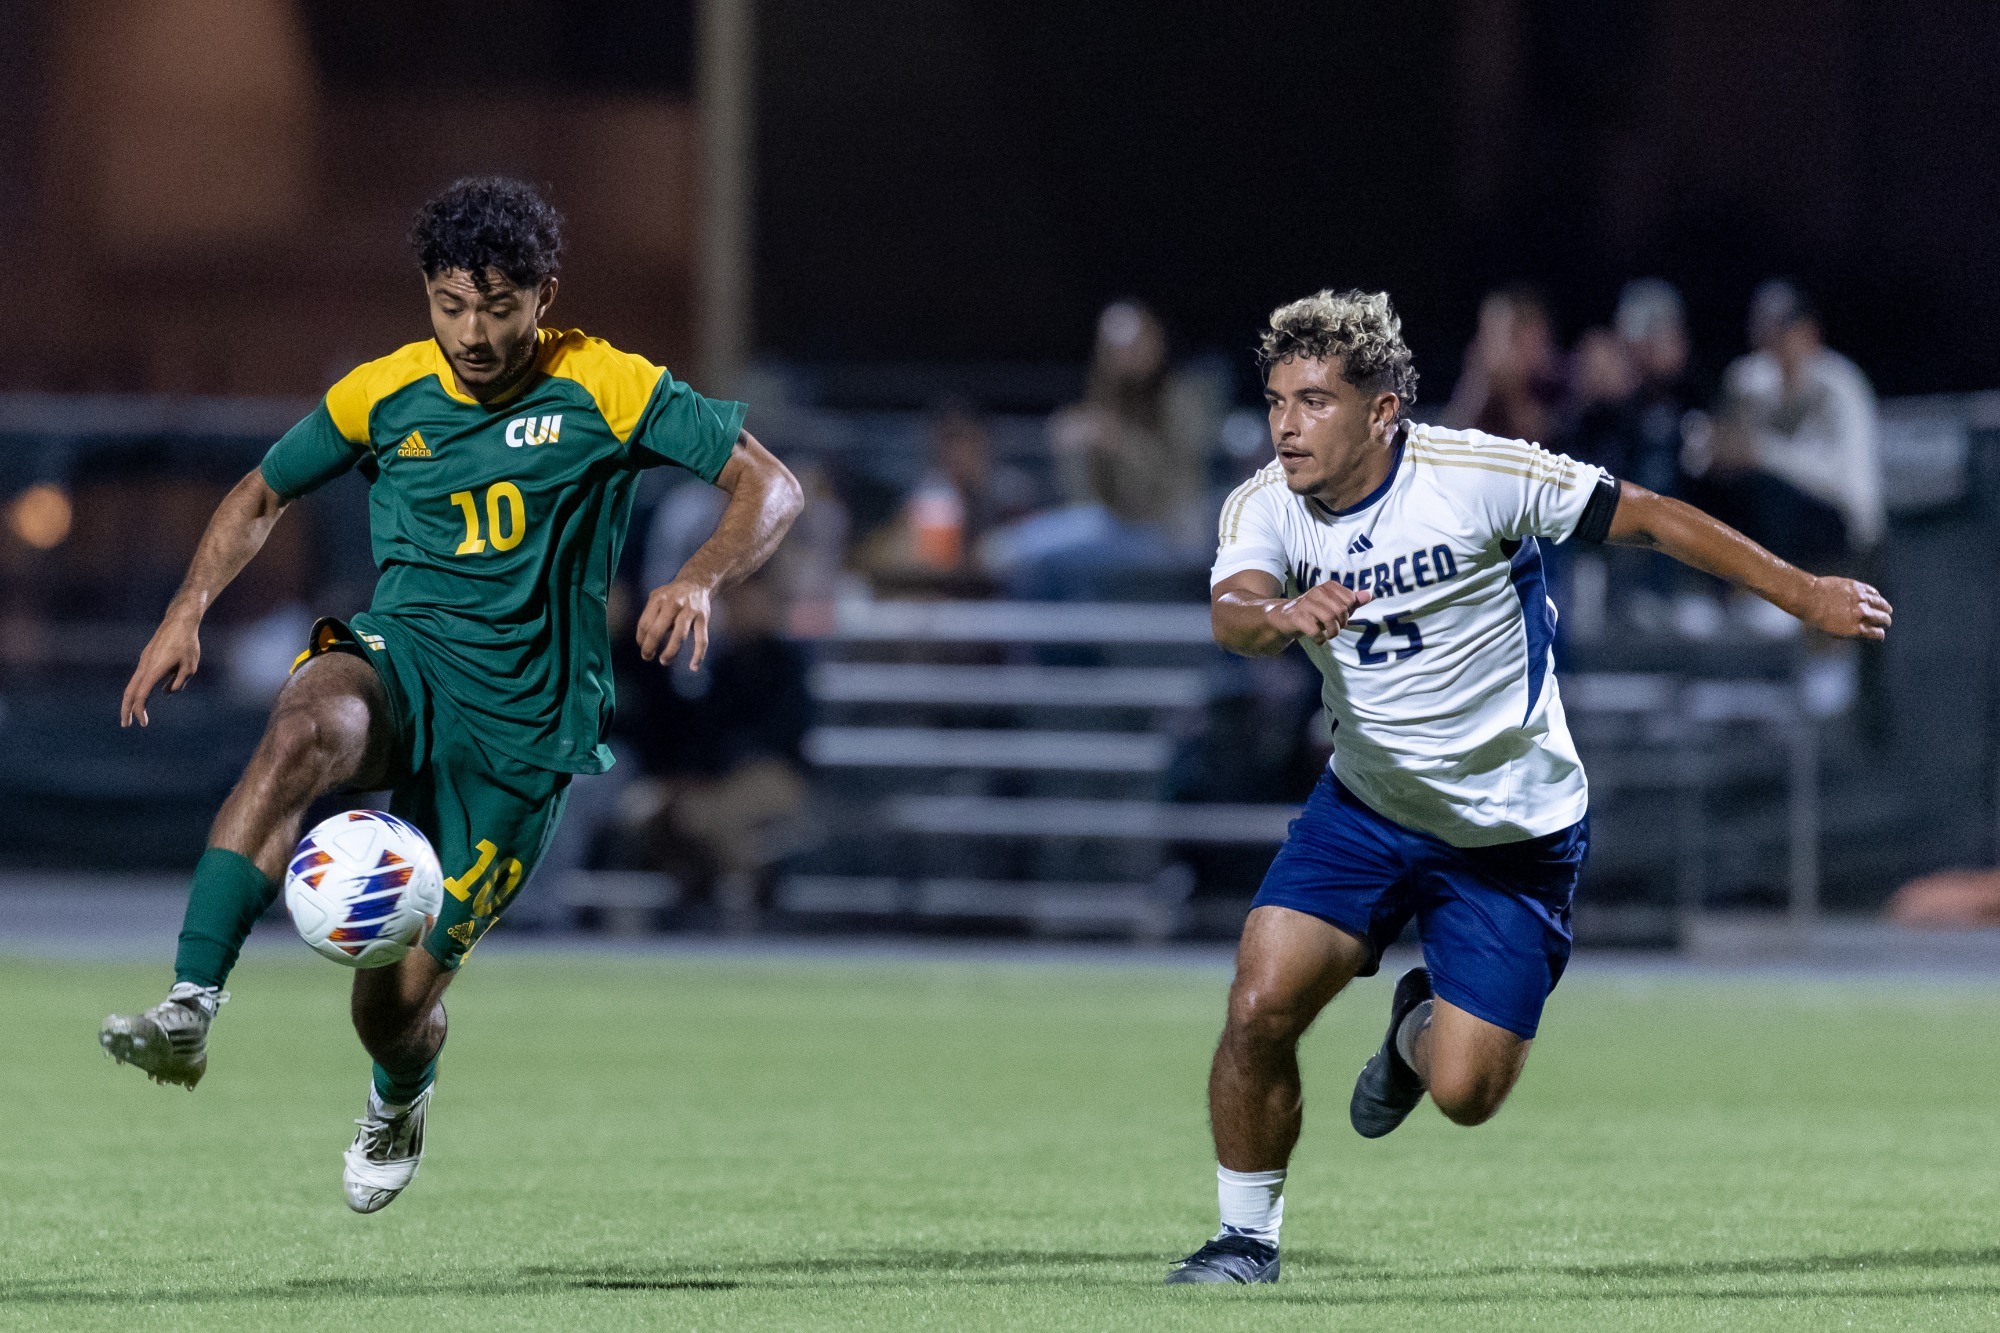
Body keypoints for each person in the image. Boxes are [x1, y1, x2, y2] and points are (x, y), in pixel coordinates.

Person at [97, 178, 803, 1213]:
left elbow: (769, 484)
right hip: (408, 657)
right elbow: (260, 492)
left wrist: (698, 574)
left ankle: (398, 1092)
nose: (473, 331)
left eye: (499, 305)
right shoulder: (384, 391)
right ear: (427, 296)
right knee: (304, 723)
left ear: (541, 294)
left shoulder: (604, 384)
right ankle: (190, 1004)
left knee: (387, 1007)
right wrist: (186, 606)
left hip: (522, 728)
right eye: (449, 304)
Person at [1167, 289, 1890, 1284]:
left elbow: (1651, 517)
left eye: (1314, 401)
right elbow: (1230, 607)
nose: (1285, 425)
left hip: (1510, 835)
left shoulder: (1476, 474)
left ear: (1381, 413)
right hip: (1367, 810)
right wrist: (1279, 615)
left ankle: (1414, 1031)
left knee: (1464, 1090)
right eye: (1277, 399)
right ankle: (1242, 1238)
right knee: (1258, 1002)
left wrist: (1803, 592)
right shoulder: (1264, 505)